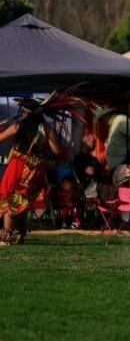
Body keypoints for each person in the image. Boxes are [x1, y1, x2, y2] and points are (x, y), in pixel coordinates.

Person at [0, 89, 91, 246]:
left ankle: (6, 238)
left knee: (10, 199)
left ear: (27, 114)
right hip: (36, 170)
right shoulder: (47, 129)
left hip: (18, 166)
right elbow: (56, 151)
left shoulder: (18, 127)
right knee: (24, 200)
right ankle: (20, 234)